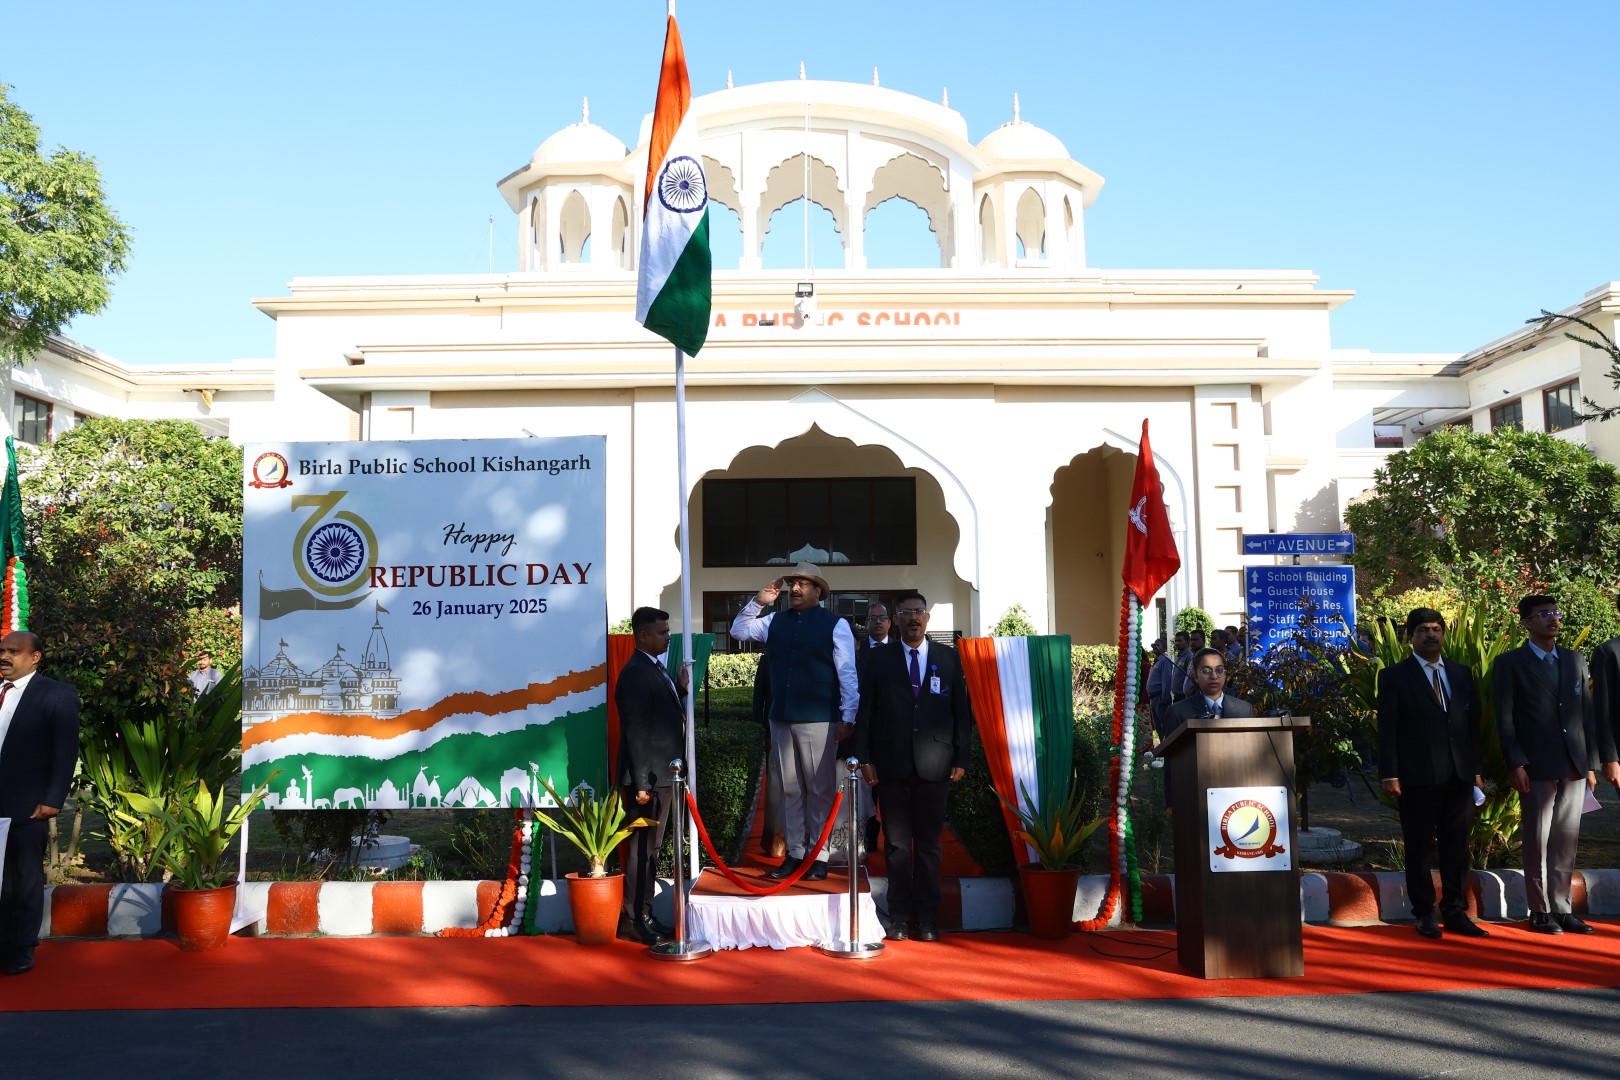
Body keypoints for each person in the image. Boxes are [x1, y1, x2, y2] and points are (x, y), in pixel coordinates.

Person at [1495, 594, 1618, 935]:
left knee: (1567, 838)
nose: (1553, 619)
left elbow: (1587, 717)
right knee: (1537, 838)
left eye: (1555, 612)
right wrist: (1515, 761)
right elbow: (1504, 719)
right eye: (1544, 614)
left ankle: (1562, 908)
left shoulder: (1574, 659)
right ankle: (1539, 909)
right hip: (1535, 764)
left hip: (1574, 762)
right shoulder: (1511, 663)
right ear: (1526, 622)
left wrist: (1591, 764)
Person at [853, 591, 972, 942]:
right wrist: (866, 759)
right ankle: (901, 917)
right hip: (891, 766)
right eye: (906, 613)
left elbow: (960, 714)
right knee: (897, 846)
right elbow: (866, 714)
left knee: (930, 845)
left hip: (936, 765)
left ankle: (929, 918)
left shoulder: (948, 659)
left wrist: (962, 757)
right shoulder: (878, 660)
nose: (913, 618)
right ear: (897, 618)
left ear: (927, 618)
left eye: (918, 612)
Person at [730, 562, 858, 881]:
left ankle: (819, 855)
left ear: (818, 591)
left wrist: (848, 716)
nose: (795, 589)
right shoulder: (774, 620)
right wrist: (759, 602)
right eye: (792, 584)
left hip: (819, 718)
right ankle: (796, 853)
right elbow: (738, 630)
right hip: (781, 718)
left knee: (819, 789)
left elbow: (847, 674)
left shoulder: (836, 624)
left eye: (803, 584)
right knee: (789, 789)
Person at [1377, 608, 1487, 939]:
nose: (1431, 634)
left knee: (1457, 846)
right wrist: (1390, 773)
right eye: (1423, 629)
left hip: (1459, 775)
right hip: (1416, 776)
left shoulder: (1461, 673)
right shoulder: (1396, 676)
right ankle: (1424, 912)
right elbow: (1388, 729)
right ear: (1410, 636)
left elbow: (1472, 727)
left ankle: (1455, 911)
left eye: (1436, 629)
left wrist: (1476, 771)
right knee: (1419, 846)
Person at [0, 631, 81, 976]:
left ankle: (21, 947)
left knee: (24, 878)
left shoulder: (57, 695)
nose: (5, 656)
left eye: (13, 652)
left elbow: (65, 750)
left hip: (27, 804)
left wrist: (53, 799)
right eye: (2, 651)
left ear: (35, 657)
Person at [614, 607, 687, 944]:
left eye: (667, 631)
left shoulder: (654, 669)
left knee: (651, 849)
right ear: (642, 636)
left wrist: (682, 692)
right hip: (649, 780)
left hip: (661, 777)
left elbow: (661, 717)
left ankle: (645, 913)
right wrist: (642, 784)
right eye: (661, 632)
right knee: (642, 850)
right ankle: (634, 919)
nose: (667, 637)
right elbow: (637, 733)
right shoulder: (635, 673)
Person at [1167, 648, 1255, 728]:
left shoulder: (1245, 710)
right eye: (1206, 671)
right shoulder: (1177, 712)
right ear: (1195, 676)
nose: (1214, 676)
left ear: (1225, 674)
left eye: (1219, 670)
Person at [1169, 631, 1192, 704]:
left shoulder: (1189, 656)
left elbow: (1190, 678)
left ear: (1187, 641)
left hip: (1184, 697)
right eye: (1176, 641)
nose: (1177, 643)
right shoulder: (1178, 656)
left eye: (1180, 641)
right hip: (1177, 697)